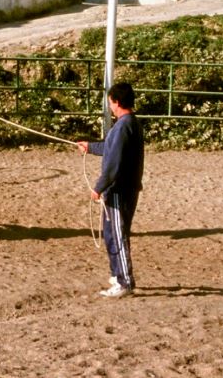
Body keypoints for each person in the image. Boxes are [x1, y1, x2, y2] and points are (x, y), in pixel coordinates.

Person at [76, 81, 145, 298]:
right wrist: (90, 145)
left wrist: (98, 187)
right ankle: (118, 274)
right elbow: (109, 147)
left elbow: (114, 163)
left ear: (116, 102)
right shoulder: (127, 124)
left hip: (119, 191)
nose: (110, 107)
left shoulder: (124, 126)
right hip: (123, 188)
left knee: (117, 235)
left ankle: (124, 281)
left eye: (110, 103)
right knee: (110, 233)